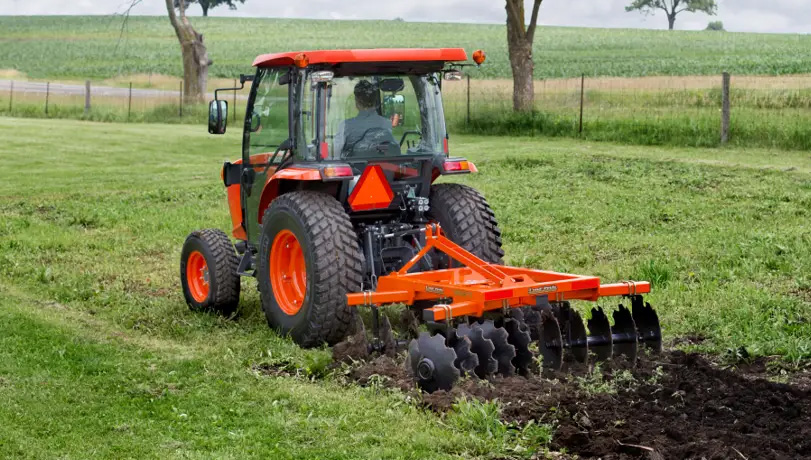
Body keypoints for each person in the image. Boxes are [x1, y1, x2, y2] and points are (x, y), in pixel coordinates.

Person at [333, 80, 398, 157]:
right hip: (383, 167)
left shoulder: (346, 126)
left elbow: (336, 154)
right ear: (375, 102)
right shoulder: (386, 124)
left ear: (357, 102)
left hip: (354, 168)